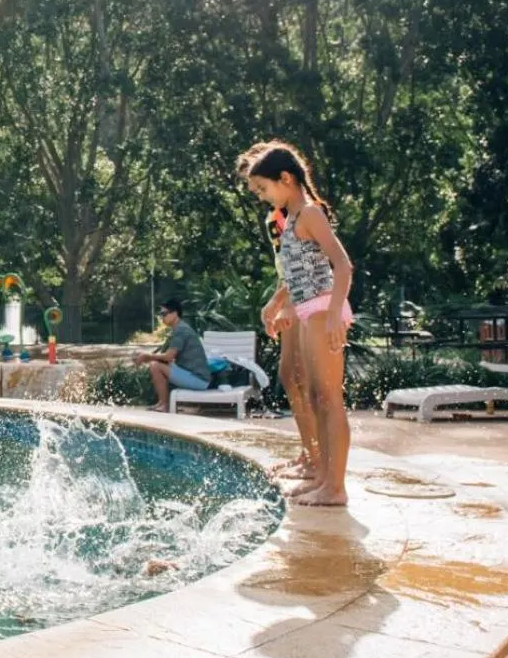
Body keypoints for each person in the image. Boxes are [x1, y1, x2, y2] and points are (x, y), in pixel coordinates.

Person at [240, 140, 354, 507]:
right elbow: (298, 271)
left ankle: (336, 488)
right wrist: (277, 301)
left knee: (329, 398)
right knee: (317, 397)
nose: (262, 196)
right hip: (307, 309)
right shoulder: (291, 218)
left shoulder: (310, 214)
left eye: (263, 188)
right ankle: (322, 477)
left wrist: (334, 313)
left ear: (285, 178)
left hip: (322, 308)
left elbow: (343, 265)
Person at [135, 299, 212, 412]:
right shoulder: (180, 328)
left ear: (175, 313)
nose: (162, 317)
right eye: (161, 314)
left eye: (164, 314)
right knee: (157, 363)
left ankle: (164, 405)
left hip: (198, 379)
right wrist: (149, 357)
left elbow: (168, 356)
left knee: (155, 366)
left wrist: (148, 356)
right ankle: (162, 403)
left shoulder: (181, 330)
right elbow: (170, 357)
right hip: (193, 375)